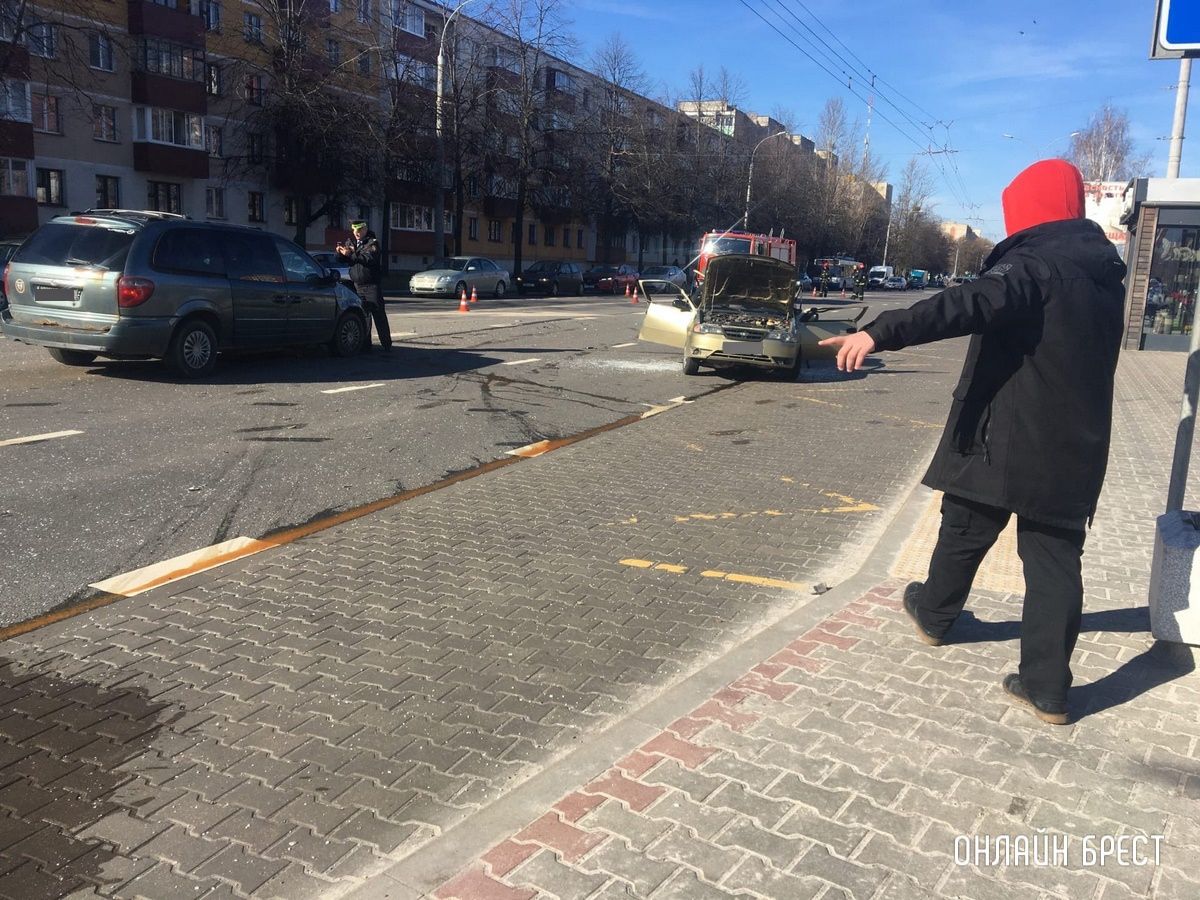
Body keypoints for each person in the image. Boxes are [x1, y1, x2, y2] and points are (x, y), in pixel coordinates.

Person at [818, 159, 1126, 725]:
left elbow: (960, 305)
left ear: (1028, 213)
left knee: (964, 526)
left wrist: (877, 331)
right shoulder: (1106, 276)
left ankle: (935, 615)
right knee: (1055, 559)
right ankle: (1048, 689)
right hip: (1076, 445)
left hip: (1004, 436)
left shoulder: (1033, 267)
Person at [336, 220, 391, 351]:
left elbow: (369, 259)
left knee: (378, 315)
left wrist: (352, 254)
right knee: (363, 315)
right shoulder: (351, 243)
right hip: (356, 285)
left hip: (371, 285)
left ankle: (386, 344)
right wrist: (340, 253)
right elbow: (345, 260)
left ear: (365, 229)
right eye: (354, 230)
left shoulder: (372, 243)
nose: (357, 233)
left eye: (359, 230)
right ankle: (366, 345)